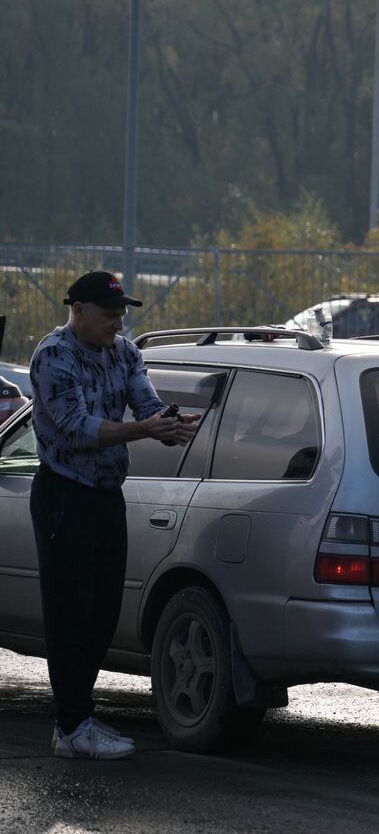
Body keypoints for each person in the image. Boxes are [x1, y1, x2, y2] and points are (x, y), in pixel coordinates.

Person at [28, 271, 200, 760]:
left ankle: (76, 721)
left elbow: (145, 404)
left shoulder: (124, 352)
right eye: (108, 314)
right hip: (65, 494)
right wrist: (144, 429)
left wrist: (169, 425)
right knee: (69, 612)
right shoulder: (54, 356)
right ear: (77, 310)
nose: (117, 322)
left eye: (121, 313)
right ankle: (72, 726)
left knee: (103, 612)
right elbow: (77, 428)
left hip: (106, 494)